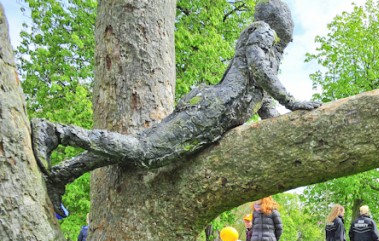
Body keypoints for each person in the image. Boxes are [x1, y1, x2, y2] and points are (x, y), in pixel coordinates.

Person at [31, 0, 321, 216]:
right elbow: (259, 72)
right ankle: (57, 133)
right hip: (212, 110)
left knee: (138, 150)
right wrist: (293, 102)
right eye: (287, 20)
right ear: (275, 18)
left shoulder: (272, 50)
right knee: (144, 153)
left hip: (216, 116)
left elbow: (262, 98)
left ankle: (63, 174)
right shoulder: (263, 31)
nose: (291, 29)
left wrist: (284, 122)